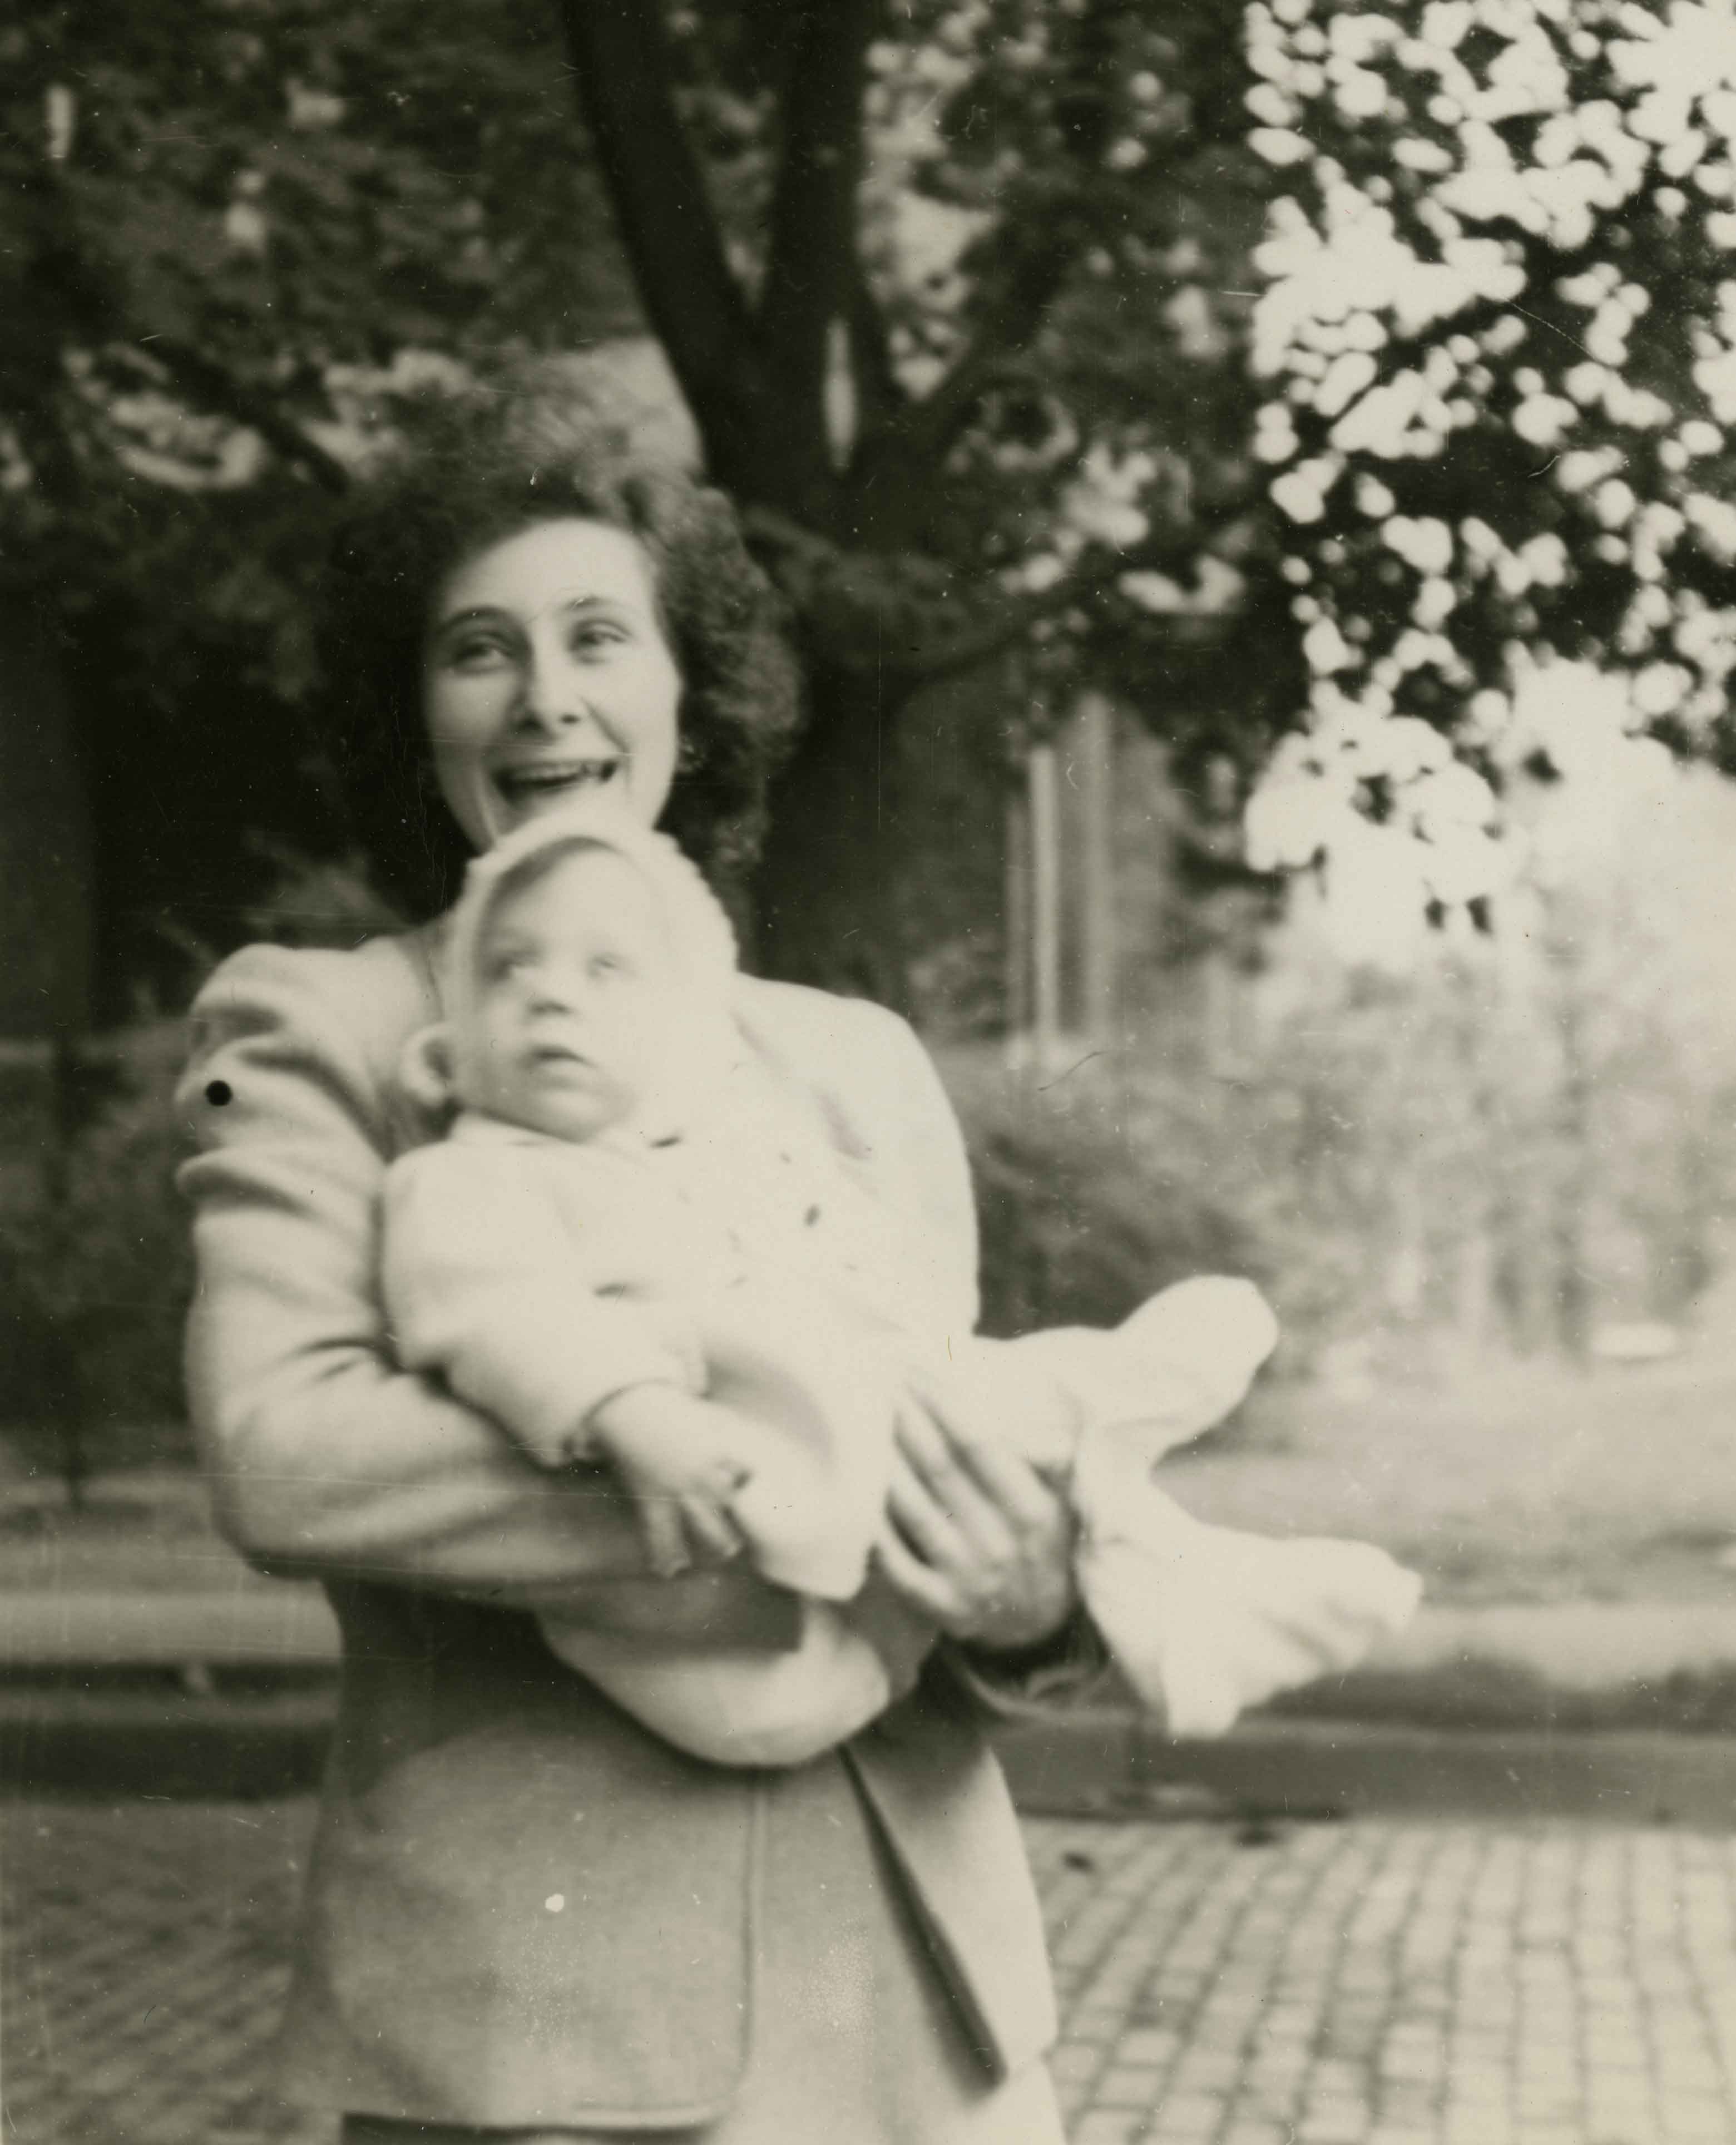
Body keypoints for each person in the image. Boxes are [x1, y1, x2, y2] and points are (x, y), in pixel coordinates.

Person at [179, 365, 1091, 2145]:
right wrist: (783, 1483)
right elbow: (286, 1450)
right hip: (553, 2022)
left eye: (601, 637)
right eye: (479, 650)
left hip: (931, 2017)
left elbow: (963, 1467)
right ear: (410, 711)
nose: (548, 700)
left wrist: (1031, 1592)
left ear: (690, 688)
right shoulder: (321, 1027)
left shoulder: (855, 1061)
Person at [380, 800, 1420, 1765]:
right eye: (507, 970)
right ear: (458, 1039)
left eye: (604, 970)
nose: (550, 992)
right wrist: (630, 1412)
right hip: (730, 1620)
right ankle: (1114, 1406)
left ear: (677, 1029)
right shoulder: (470, 1177)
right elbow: (501, 1315)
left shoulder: (707, 1138)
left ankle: (1196, 1606)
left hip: (842, 1508)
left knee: (971, 1416)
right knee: (973, 1411)